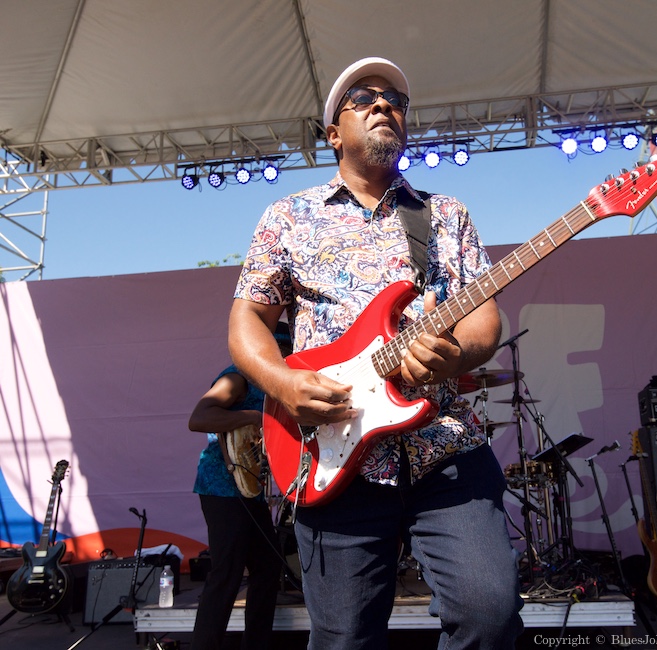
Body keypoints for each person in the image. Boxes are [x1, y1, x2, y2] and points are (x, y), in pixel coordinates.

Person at [228, 56, 523, 649]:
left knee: (491, 616)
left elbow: (485, 319)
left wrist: (455, 354)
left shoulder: (445, 215)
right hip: (335, 459)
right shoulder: (289, 217)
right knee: (344, 640)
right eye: (364, 97)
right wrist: (285, 386)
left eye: (395, 100)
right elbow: (247, 323)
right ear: (334, 132)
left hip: (444, 447)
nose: (384, 104)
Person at [187, 327, 290, 650]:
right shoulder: (238, 378)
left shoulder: (275, 387)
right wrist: (253, 417)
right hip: (220, 486)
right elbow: (199, 417)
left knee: (268, 566)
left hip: (250, 488)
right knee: (227, 571)